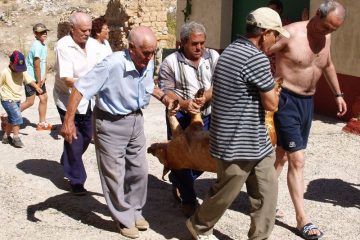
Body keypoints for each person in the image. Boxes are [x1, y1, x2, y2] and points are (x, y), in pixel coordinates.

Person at [60, 26, 175, 239]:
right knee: (114, 174)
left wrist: (165, 98)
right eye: (146, 53)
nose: (150, 57)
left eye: (153, 52)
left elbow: (149, 86)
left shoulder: (146, 61)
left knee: (139, 171)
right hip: (110, 123)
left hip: (136, 120)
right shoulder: (112, 64)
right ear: (131, 48)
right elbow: (80, 88)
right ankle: (123, 218)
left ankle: (135, 210)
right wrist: (68, 121)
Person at [186, 7, 289, 240]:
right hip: (238, 142)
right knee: (224, 192)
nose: (277, 40)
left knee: (267, 192)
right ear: (264, 33)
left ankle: (259, 237)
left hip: (251, 139)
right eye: (276, 34)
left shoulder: (230, 50)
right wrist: (275, 88)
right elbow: (272, 104)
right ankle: (198, 226)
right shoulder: (257, 59)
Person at [269, 1, 347, 239]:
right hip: (286, 101)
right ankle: (302, 219)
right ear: (316, 15)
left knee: (281, 157)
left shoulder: (326, 38)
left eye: (333, 30)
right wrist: (267, 87)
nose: (327, 33)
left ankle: (260, 197)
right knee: (297, 159)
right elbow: (261, 52)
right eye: (325, 27)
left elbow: (328, 64)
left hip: (307, 104)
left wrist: (338, 94)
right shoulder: (290, 34)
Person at [158, 21, 219, 218]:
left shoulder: (213, 57)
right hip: (181, 117)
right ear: (183, 42)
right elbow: (166, 91)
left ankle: (179, 181)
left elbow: (219, 84)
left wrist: (205, 97)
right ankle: (189, 200)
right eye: (194, 43)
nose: (199, 47)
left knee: (203, 157)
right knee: (181, 158)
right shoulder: (170, 63)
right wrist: (185, 105)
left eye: (202, 43)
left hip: (208, 115)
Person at [53, 11, 100, 195]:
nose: (87, 33)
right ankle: (76, 179)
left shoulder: (95, 45)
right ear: (72, 29)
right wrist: (92, 84)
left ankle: (67, 159)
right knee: (73, 137)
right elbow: (67, 79)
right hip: (67, 98)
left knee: (87, 135)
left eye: (89, 30)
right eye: (83, 30)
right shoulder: (63, 46)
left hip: (88, 99)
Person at [0, 50, 43, 148]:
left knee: (12, 119)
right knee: (17, 117)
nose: (19, 70)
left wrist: (36, 87)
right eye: (17, 67)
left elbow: (29, 80)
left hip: (16, 98)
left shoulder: (21, 71)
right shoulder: (5, 72)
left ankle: (6, 137)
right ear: (11, 64)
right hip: (7, 99)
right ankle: (16, 138)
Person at [20, 23, 52, 131]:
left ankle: (42, 123)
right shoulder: (37, 46)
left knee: (44, 98)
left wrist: (45, 75)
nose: (44, 33)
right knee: (30, 101)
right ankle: (8, 115)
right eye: (41, 32)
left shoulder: (43, 45)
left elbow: (44, 62)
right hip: (31, 78)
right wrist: (38, 81)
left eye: (45, 31)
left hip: (39, 79)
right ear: (35, 34)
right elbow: (36, 65)